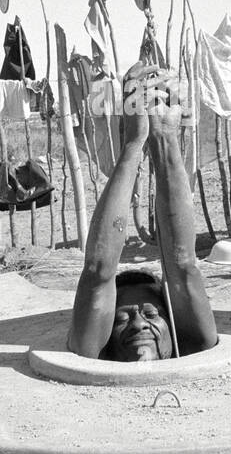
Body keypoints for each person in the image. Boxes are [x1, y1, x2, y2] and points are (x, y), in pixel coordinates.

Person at [67, 61, 218, 361]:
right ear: (103, 335)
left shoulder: (192, 344)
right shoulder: (92, 351)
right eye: (120, 319)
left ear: (176, 325)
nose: (138, 324)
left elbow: (183, 266)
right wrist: (133, 144)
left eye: (151, 313)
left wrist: (164, 137)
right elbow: (98, 272)